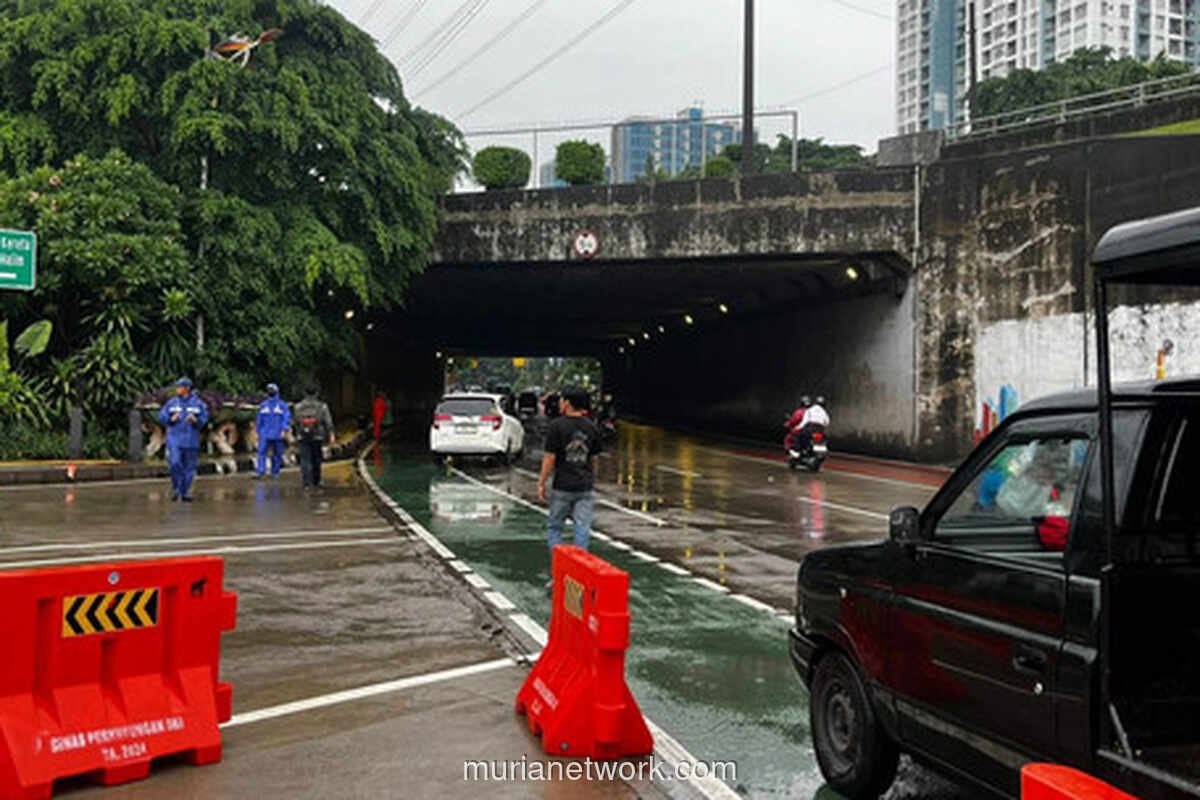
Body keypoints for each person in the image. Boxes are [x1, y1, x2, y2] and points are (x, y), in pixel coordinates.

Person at [537, 387, 603, 584]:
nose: (559, 403)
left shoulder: (556, 426)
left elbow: (550, 457)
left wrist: (541, 482)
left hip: (562, 487)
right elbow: (594, 459)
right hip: (585, 487)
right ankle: (579, 576)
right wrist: (592, 478)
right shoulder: (592, 427)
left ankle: (559, 575)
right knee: (582, 530)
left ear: (567, 402)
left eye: (561, 400)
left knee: (555, 528)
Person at [157, 377, 209, 502]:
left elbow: (204, 419)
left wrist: (196, 421)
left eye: (179, 387)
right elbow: (162, 417)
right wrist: (170, 420)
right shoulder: (172, 403)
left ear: (187, 389)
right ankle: (176, 488)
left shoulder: (198, 404)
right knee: (175, 463)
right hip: (175, 439)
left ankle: (185, 491)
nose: (177, 389)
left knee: (189, 468)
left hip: (191, 441)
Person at [293, 384, 335, 490]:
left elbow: (295, 422)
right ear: (316, 393)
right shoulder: (322, 406)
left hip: (302, 436)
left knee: (304, 459)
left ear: (304, 393)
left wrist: (295, 434)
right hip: (317, 435)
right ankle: (317, 480)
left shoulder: (298, 407)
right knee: (316, 458)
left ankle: (306, 483)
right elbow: (328, 422)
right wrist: (331, 434)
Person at [255, 383, 290, 479]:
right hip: (265, 433)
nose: (270, 391)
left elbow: (286, 418)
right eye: (269, 389)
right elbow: (259, 419)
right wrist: (257, 431)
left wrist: (284, 429)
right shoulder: (263, 405)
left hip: (278, 433)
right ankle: (260, 471)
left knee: (277, 453)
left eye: (272, 389)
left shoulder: (282, 405)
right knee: (261, 452)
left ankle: (275, 472)